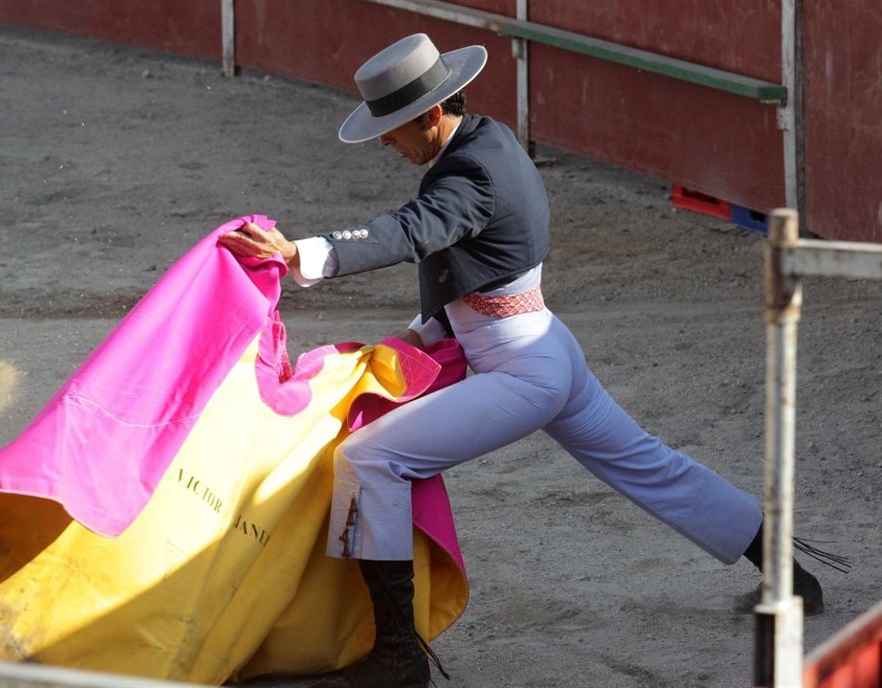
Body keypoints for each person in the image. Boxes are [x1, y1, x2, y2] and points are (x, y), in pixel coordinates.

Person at [218, 33, 828, 688]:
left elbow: (413, 230)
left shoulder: (467, 176)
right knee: (647, 463)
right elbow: (470, 259)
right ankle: (791, 574)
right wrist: (422, 332)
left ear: (430, 115)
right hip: (545, 344)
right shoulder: (491, 140)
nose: (388, 145)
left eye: (392, 130)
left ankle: (398, 661)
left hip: (522, 369)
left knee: (368, 460)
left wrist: (300, 253)